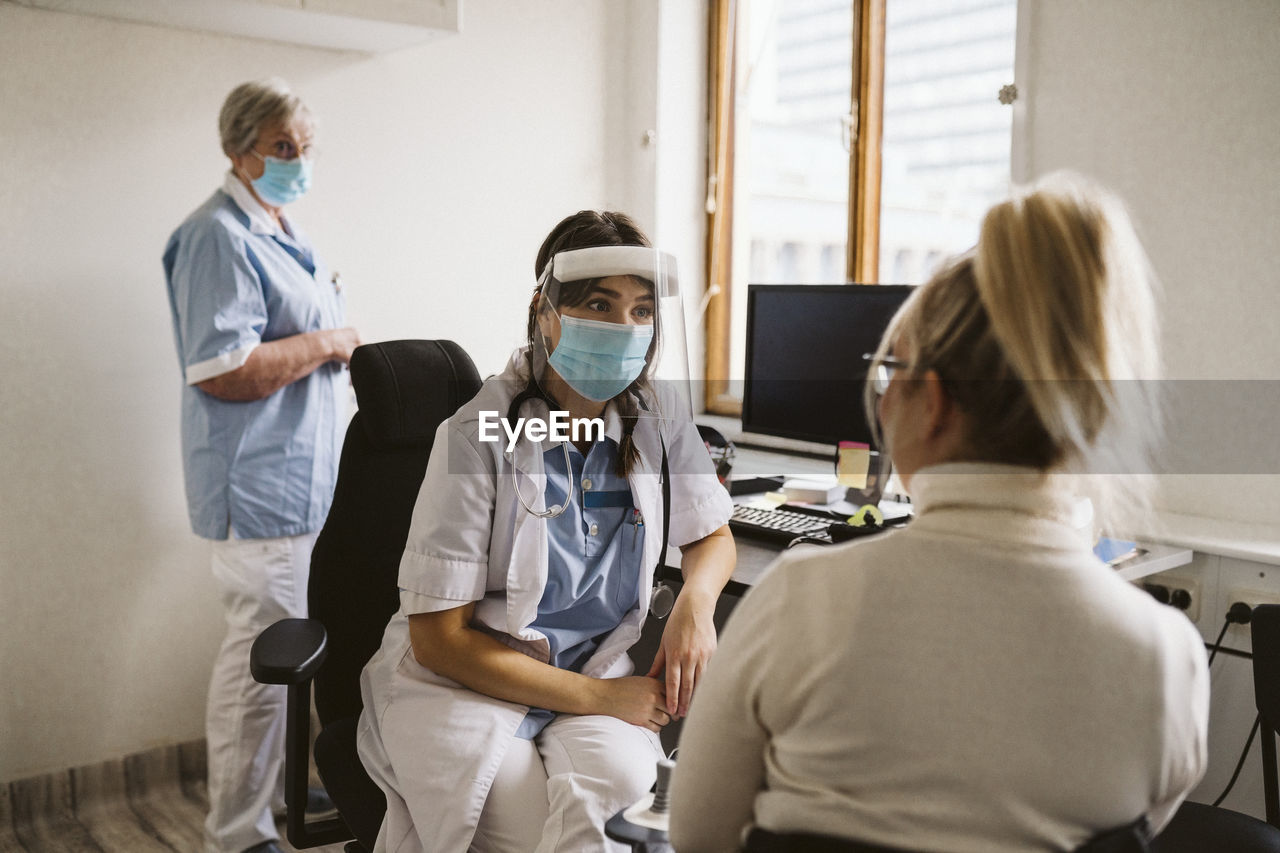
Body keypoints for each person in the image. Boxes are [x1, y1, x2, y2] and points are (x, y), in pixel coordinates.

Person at [669, 174, 1209, 852]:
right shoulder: (1167, 659)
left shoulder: (800, 603)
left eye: (891, 372)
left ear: (935, 400)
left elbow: (697, 838)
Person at [356, 210, 736, 853]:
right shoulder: (476, 434)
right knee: (536, 835)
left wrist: (696, 603)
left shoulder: (657, 411)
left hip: (590, 670)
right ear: (544, 310)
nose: (624, 328)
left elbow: (712, 533)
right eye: (598, 303)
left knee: (619, 804)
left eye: (642, 311)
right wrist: (598, 696)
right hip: (463, 686)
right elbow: (438, 641)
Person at [162, 78, 361, 853]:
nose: (297, 162)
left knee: (288, 652)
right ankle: (236, 833)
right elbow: (222, 367)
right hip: (258, 485)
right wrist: (329, 342)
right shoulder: (218, 235)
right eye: (283, 148)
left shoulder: (277, 224)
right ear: (238, 148)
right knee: (262, 661)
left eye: (305, 148)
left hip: (301, 482)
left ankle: (274, 794)